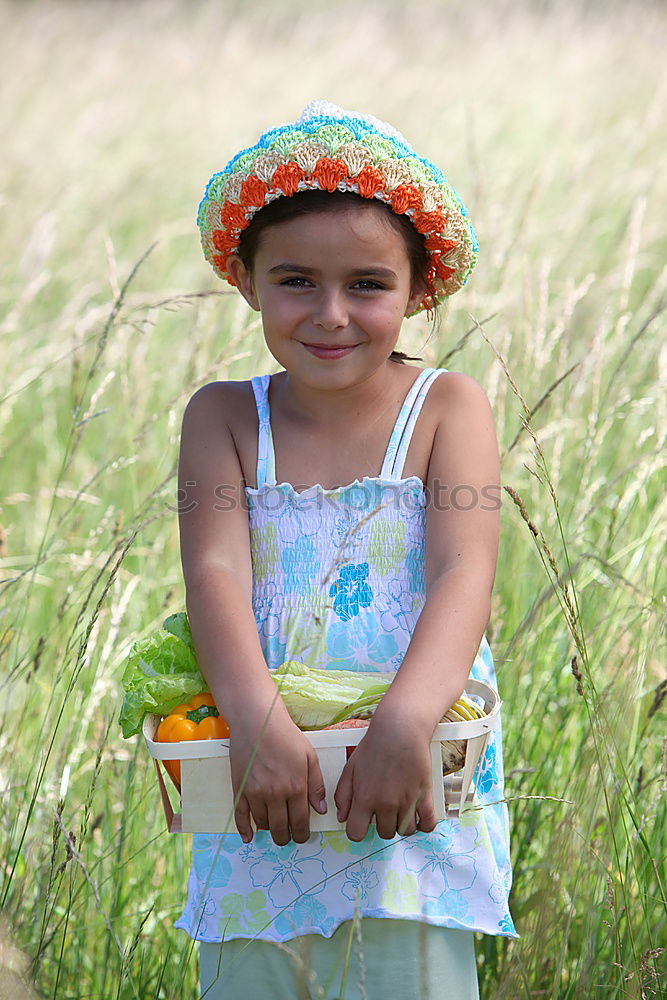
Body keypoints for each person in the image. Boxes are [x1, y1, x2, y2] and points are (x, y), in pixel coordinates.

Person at [174, 99, 517, 999]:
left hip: (412, 756)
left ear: (417, 291)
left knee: (409, 975)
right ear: (246, 282)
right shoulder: (224, 417)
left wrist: (407, 718)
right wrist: (253, 722)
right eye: (295, 281)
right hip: (269, 766)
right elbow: (212, 568)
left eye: (367, 284)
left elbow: (462, 567)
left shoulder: (448, 407)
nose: (330, 314)